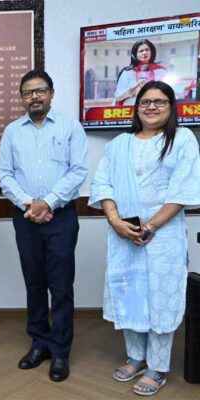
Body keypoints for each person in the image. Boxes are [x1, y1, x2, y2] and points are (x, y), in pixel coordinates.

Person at [89, 80, 200, 396]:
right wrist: (115, 221)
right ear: (136, 108)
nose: (151, 107)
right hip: (124, 235)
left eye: (159, 101)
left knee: (161, 299)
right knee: (130, 294)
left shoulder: (181, 139)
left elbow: (182, 190)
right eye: (145, 101)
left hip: (163, 238)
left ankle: (157, 367)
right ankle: (136, 357)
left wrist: (150, 226)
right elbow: (103, 185)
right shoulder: (119, 145)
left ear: (171, 107)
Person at [0, 70, 88, 382]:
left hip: (61, 218)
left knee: (60, 286)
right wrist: (30, 205)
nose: (34, 97)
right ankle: (39, 343)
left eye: (40, 91)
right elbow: (5, 174)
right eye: (28, 92)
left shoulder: (70, 127)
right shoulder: (12, 131)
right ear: (21, 98)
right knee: (34, 284)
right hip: (26, 218)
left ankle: (60, 350)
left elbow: (78, 171)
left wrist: (47, 203)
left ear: (51, 93)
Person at [114, 39, 167, 106]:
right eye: (141, 51)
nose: (144, 53)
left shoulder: (161, 71)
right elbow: (118, 97)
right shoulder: (128, 73)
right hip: (132, 108)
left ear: (151, 52)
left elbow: (170, 92)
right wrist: (132, 90)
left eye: (147, 50)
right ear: (135, 54)